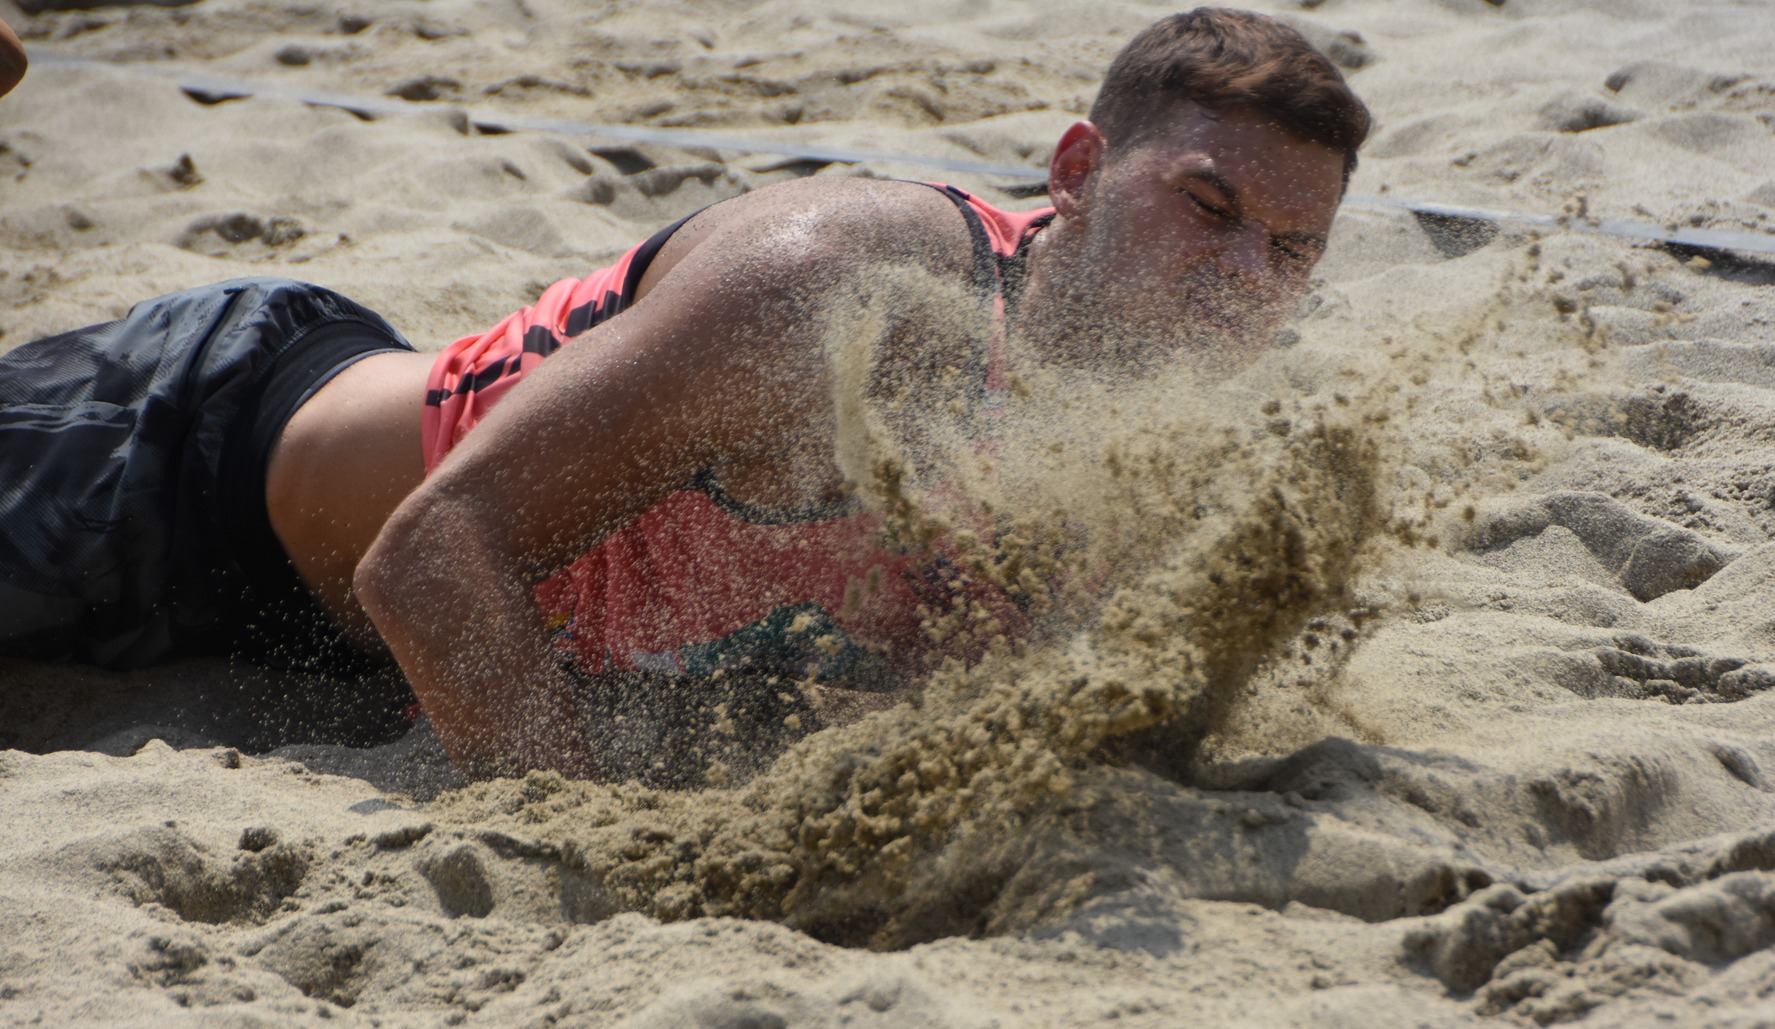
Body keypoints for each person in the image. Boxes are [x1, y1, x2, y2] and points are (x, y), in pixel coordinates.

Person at [0, 8, 1369, 779]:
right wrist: (591, 845)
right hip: (181, 463)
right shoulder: (849, 286)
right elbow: (427, 559)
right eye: (1209, 208)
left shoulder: (1142, 440)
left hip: (356, 653)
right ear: (1077, 171)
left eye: (1293, 250)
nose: (1245, 276)